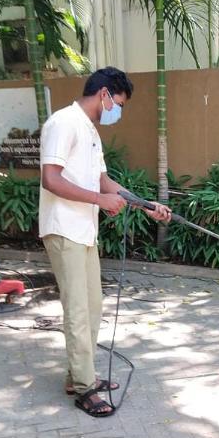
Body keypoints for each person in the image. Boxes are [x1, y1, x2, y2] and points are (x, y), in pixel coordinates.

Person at [39, 66, 171, 417]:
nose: (118, 111)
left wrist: (146, 206)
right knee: (78, 310)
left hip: (84, 230)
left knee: (92, 306)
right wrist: (100, 201)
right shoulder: (63, 123)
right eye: (119, 104)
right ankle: (84, 388)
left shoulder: (90, 132)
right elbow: (50, 179)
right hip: (63, 229)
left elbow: (103, 182)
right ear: (104, 94)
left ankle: (77, 376)